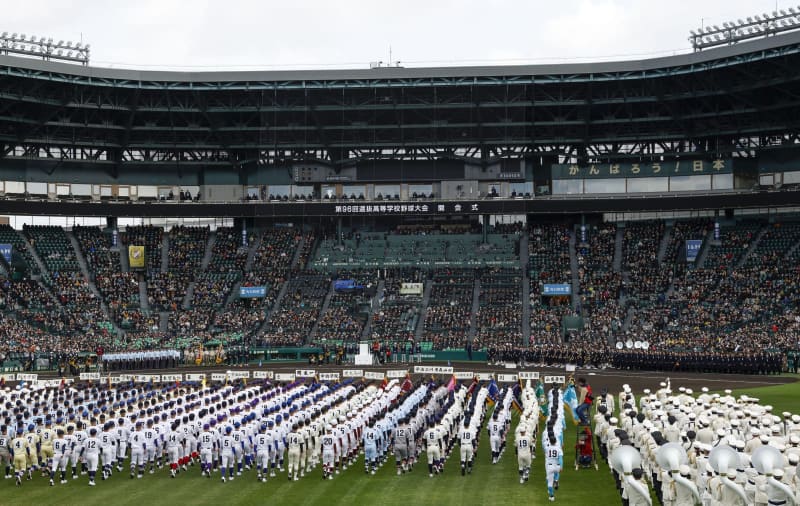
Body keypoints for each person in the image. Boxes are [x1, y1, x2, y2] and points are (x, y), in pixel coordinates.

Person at [543, 430, 562, 502]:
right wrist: (561, 466)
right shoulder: (558, 448)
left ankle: (551, 496)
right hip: (557, 465)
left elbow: (545, 451)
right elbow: (560, 458)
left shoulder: (547, 448)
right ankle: (556, 480)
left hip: (550, 466)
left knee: (549, 482)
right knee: (557, 472)